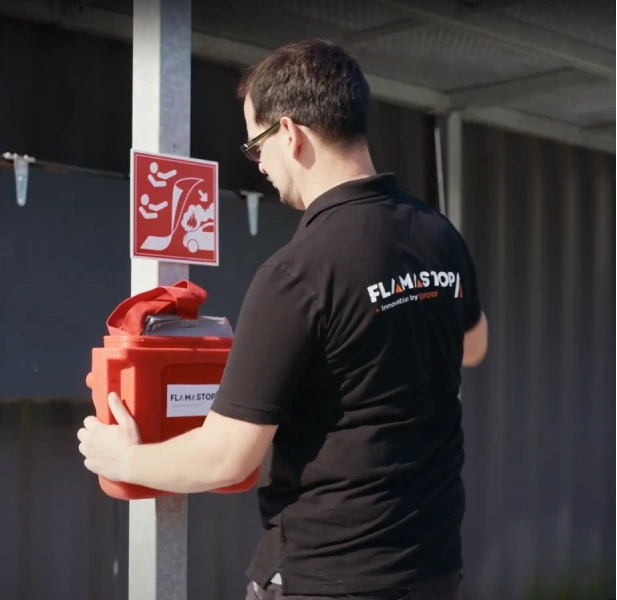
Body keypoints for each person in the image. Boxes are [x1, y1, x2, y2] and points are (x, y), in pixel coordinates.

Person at [77, 38, 488, 600]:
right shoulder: (438, 234)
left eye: (256, 145)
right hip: (431, 565)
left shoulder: (297, 272)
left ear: (290, 134)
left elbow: (226, 458)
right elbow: (473, 345)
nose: (261, 164)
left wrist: (120, 457)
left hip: (328, 576)